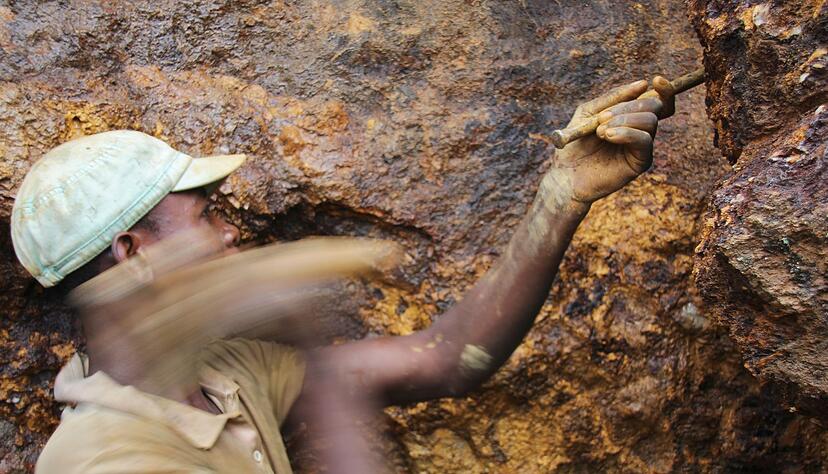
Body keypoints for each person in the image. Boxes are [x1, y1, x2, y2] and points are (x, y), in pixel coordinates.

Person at [14, 77, 675, 473]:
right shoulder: (105, 458)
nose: (230, 232)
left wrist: (560, 194)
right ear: (134, 253)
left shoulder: (219, 374)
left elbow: (446, 359)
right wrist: (303, 328)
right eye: (206, 215)